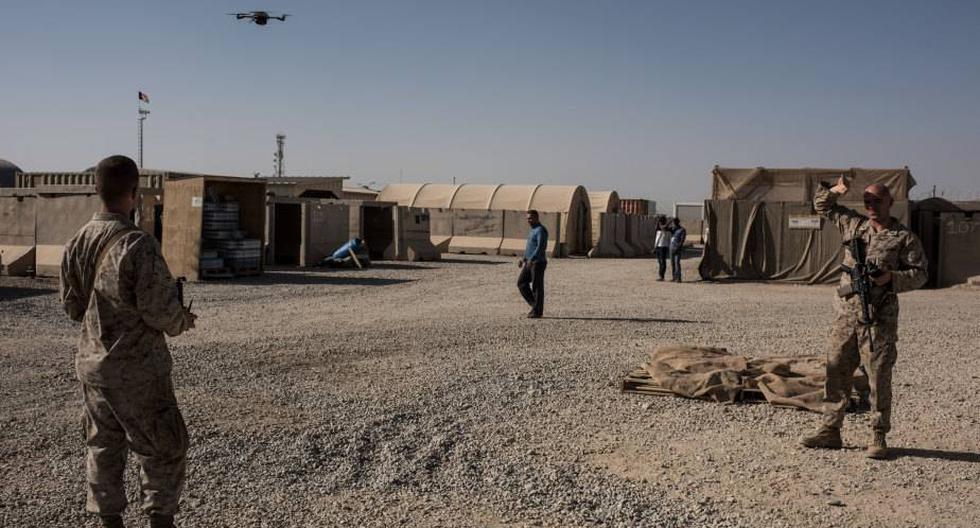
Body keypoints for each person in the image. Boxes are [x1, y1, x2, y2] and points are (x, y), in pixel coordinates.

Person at [60, 155, 197, 528]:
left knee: (103, 446)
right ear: (134, 194)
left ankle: (109, 522)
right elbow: (159, 312)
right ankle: (159, 520)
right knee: (164, 447)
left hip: (94, 369)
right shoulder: (138, 244)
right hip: (138, 370)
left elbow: (73, 308)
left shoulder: (76, 242)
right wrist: (182, 320)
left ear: (97, 191)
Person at [800, 175, 927, 459]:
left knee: (878, 377)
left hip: (878, 318)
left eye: (877, 201)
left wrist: (889, 278)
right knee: (836, 371)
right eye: (867, 200)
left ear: (890, 203)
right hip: (847, 315)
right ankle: (830, 430)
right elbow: (822, 206)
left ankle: (878, 435)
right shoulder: (853, 224)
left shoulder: (903, 237)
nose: (871, 205)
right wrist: (835, 189)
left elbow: (920, 274)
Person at [518, 210, 548, 318]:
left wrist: (532, 259)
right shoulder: (532, 230)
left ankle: (537, 311)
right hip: (529, 262)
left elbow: (541, 247)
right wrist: (523, 258)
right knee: (521, 283)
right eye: (527, 218)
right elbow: (529, 247)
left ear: (536, 218)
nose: (528, 220)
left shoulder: (541, 230)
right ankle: (535, 305)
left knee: (537, 287)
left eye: (530, 218)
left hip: (538, 263)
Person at [668, 217, 686, 282]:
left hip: (677, 249)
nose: (674, 223)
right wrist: (669, 221)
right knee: (672, 263)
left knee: (677, 263)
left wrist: (678, 247)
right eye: (673, 222)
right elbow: (664, 228)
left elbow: (682, 240)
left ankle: (679, 278)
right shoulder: (673, 229)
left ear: (678, 222)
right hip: (671, 248)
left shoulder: (682, 230)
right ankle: (674, 277)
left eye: (675, 222)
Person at [653, 217, 670, 281]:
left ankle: (661, 276)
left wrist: (654, 247)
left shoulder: (665, 229)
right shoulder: (660, 229)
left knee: (662, 262)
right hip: (660, 246)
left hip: (662, 247)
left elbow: (663, 228)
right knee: (660, 262)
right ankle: (661, 275)